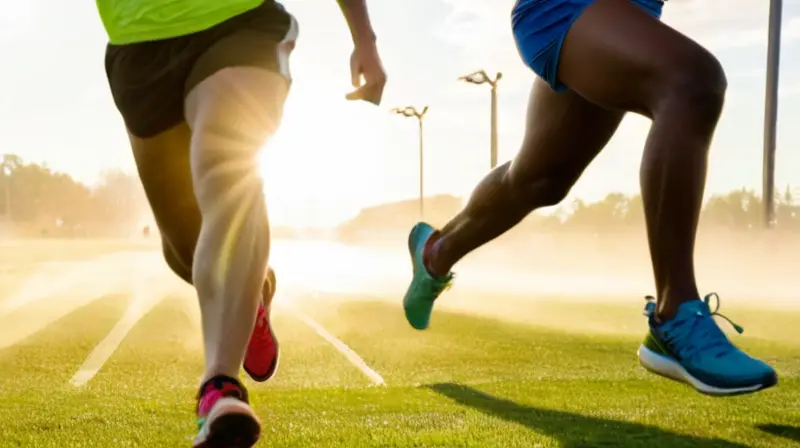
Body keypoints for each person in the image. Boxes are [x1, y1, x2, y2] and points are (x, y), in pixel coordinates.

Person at [402, 0, 777, 397]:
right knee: (690, 83)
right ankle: (675, 313)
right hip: (566, 8)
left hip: (621, 15)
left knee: (540, 180)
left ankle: (436, 252)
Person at [96, 0, 386, 446]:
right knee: (182, 253)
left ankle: (219, 388)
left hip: (239, 22)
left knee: (227, 171)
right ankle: (255, 295)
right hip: (138, 43)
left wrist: (364, 37)